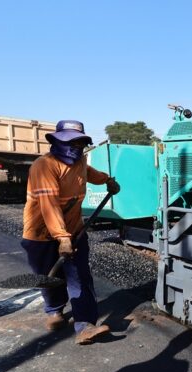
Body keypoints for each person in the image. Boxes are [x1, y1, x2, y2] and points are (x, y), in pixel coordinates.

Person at [21, 120, 121, 345]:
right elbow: (49, 204)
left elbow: (90, 173)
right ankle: (54, 310)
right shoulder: (43, 166)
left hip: (73, 231)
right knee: (49, 276)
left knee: (80, 277)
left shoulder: (80, 162)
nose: (75, 147)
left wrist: (107, 180)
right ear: (56, 141)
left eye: (79, 143)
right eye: (70, 142)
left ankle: (85, 325)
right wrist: (61, 237)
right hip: (40, 234)